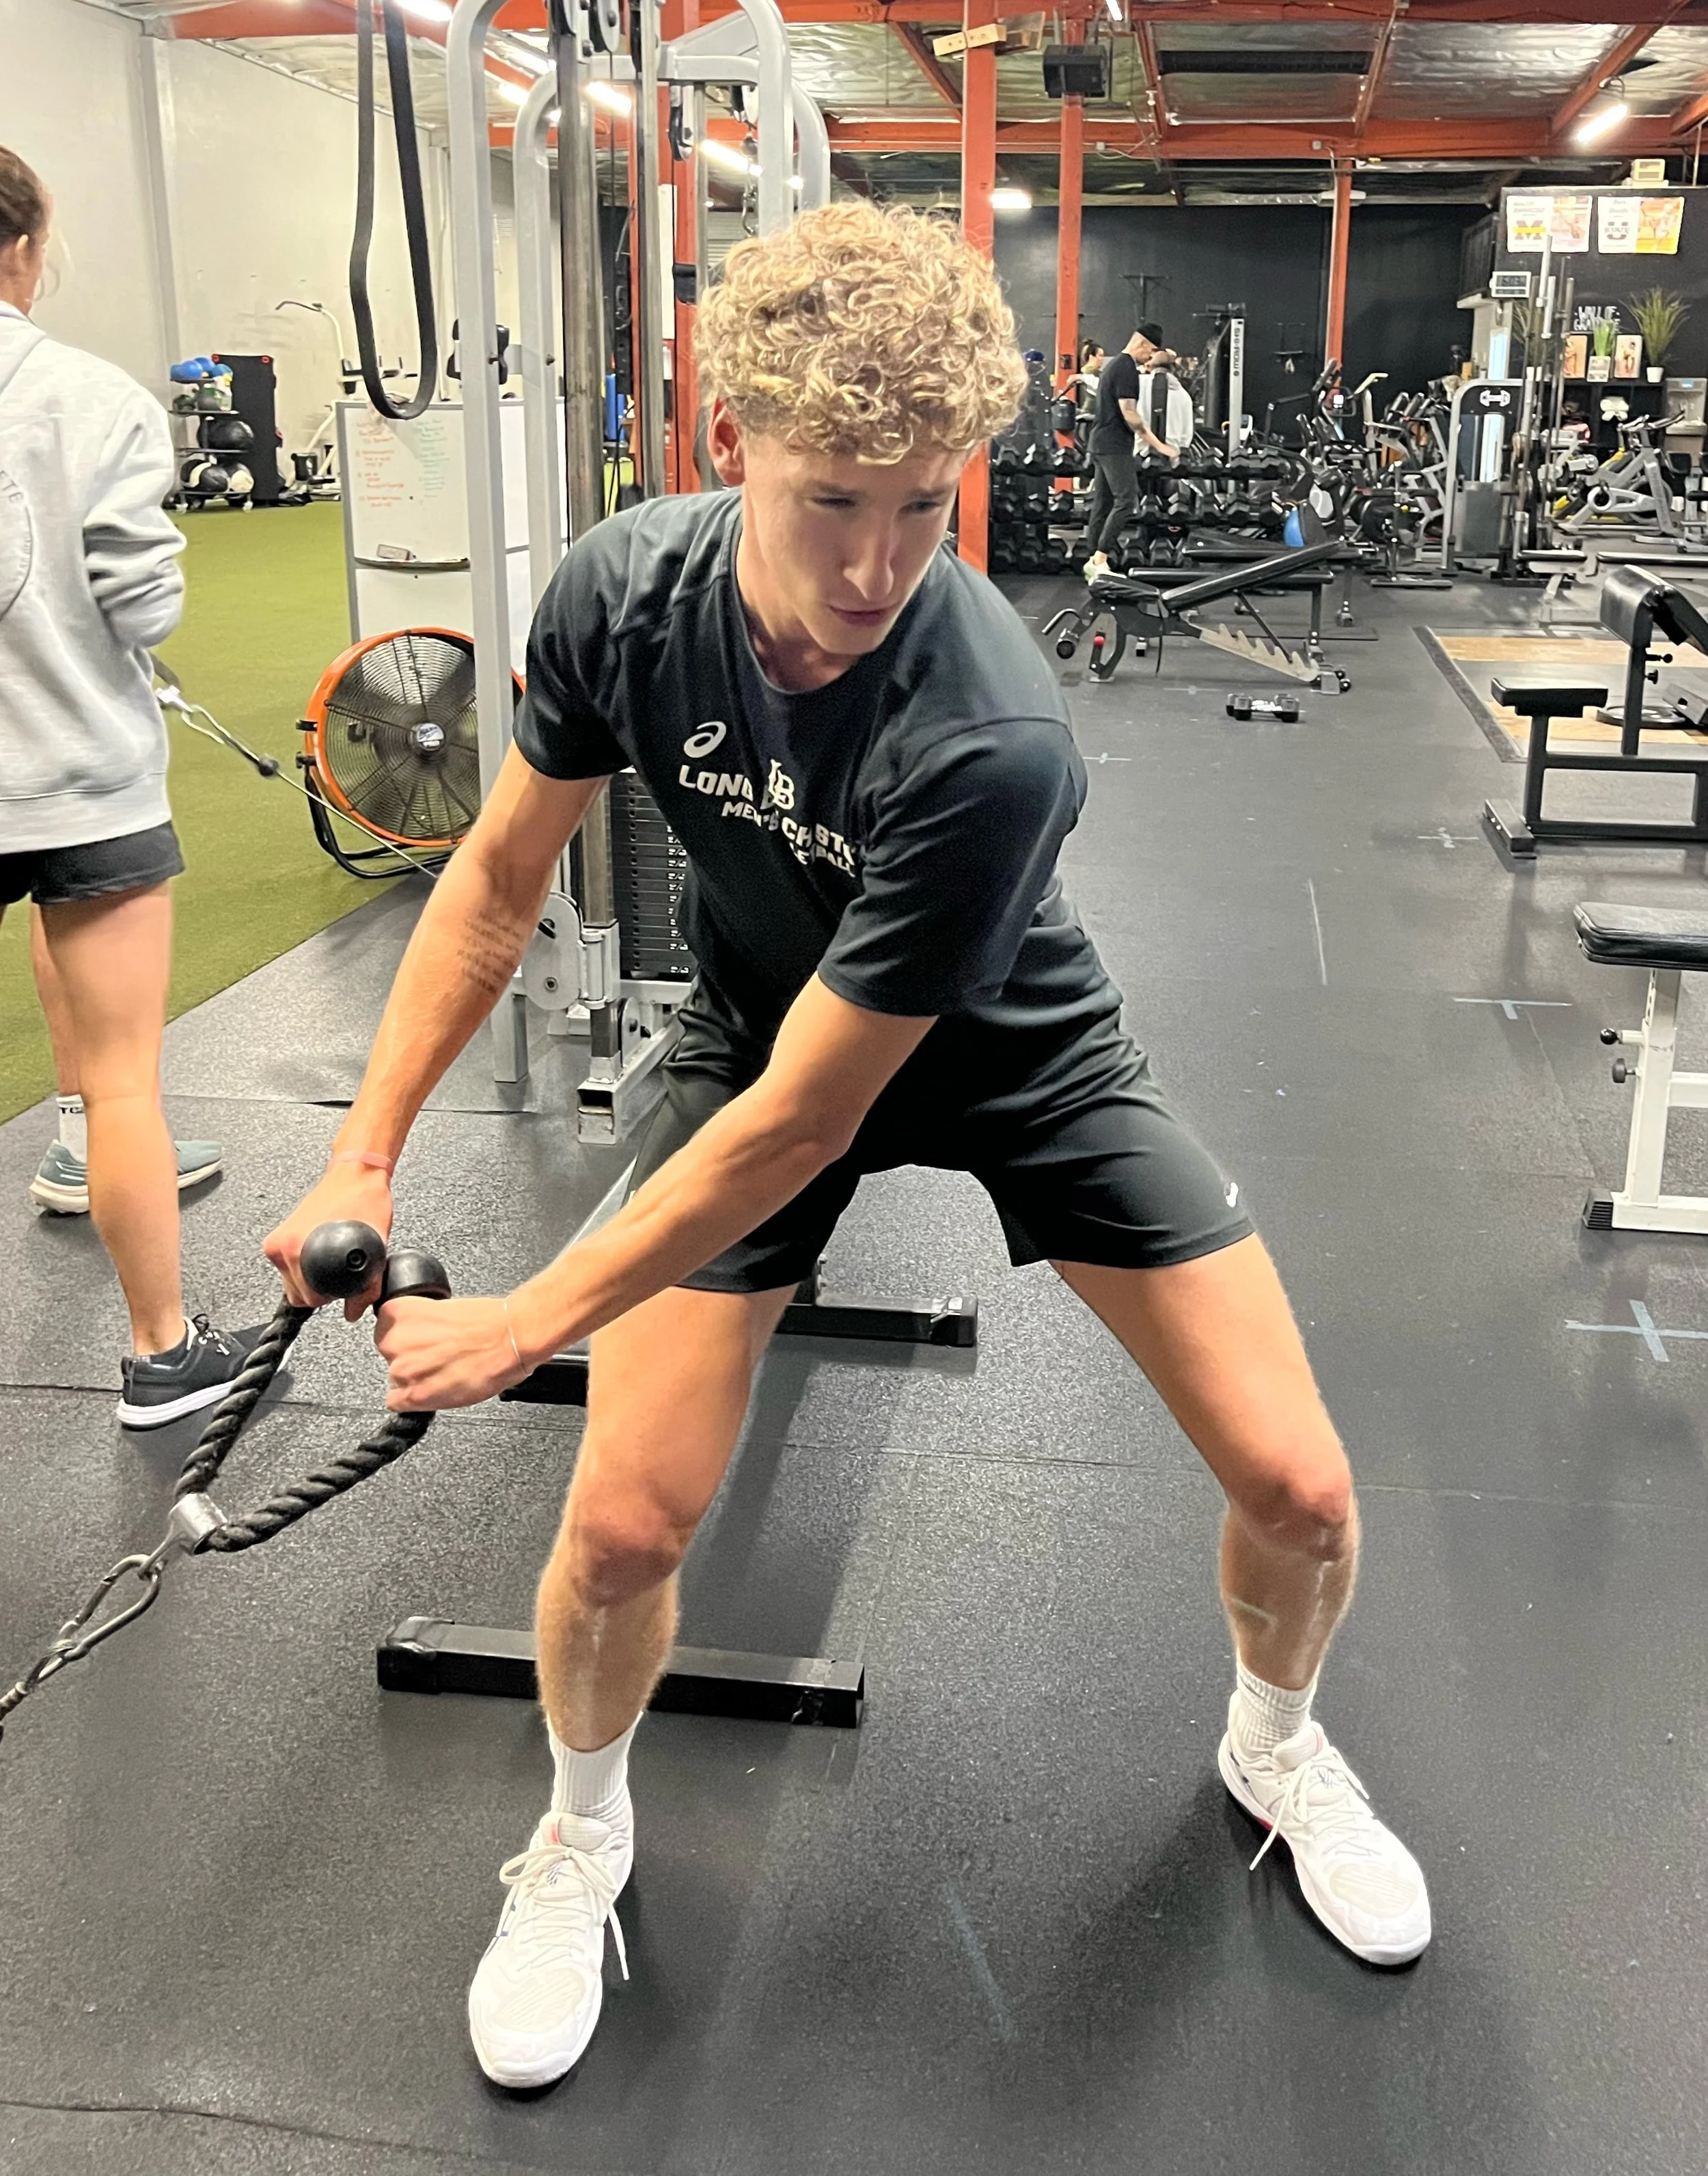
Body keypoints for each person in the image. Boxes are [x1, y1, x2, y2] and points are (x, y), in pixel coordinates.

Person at [266, 202, 1431, 2092]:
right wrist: (362, 1159)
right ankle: (578, 1830)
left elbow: (823, 1114)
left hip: (1013, 1052)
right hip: (746, 1028)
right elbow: (490, 886)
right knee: (627, 1517)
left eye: (924, 504)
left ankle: (1274, 1740)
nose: (881, 560)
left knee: (1302, 1485)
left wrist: (524, 1316)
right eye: (833, 500)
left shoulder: (988, 730)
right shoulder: (614, 599)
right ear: (731, 448)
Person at [0, 146, 259, 1426]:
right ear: (22, 250)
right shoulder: (88, 395)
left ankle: (67, 1151)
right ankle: (165, 1353)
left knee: (99, 1085)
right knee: (125, 1081)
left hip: (61, 779)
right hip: (82, 785)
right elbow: (141, 593)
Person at [1083, 321, 1180, 580]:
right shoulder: (1125, 369)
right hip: (1114, 446)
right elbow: (1130, 415)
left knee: (1103, 503)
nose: (1150, 358)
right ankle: (1100, 559)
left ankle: (1092, 560)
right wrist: (1161, 446)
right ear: (1143, 343)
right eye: (1150, 352)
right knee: (1127, 500)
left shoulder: (1113, 366)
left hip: (1102, 443)